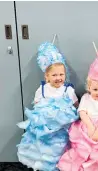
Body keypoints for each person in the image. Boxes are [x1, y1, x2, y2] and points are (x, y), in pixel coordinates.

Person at [17, 42, 79, 171]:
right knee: (44, 148)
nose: (58, 78)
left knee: (60, 148)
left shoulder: (68, 90)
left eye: (61, 75)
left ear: (65, 75)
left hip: (62, 129)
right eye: (54, 75)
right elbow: (37, 105)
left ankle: (60, 165)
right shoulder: (43, 89)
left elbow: (76, 105)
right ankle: (45, 165)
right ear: (47, 76)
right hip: (45, 128)